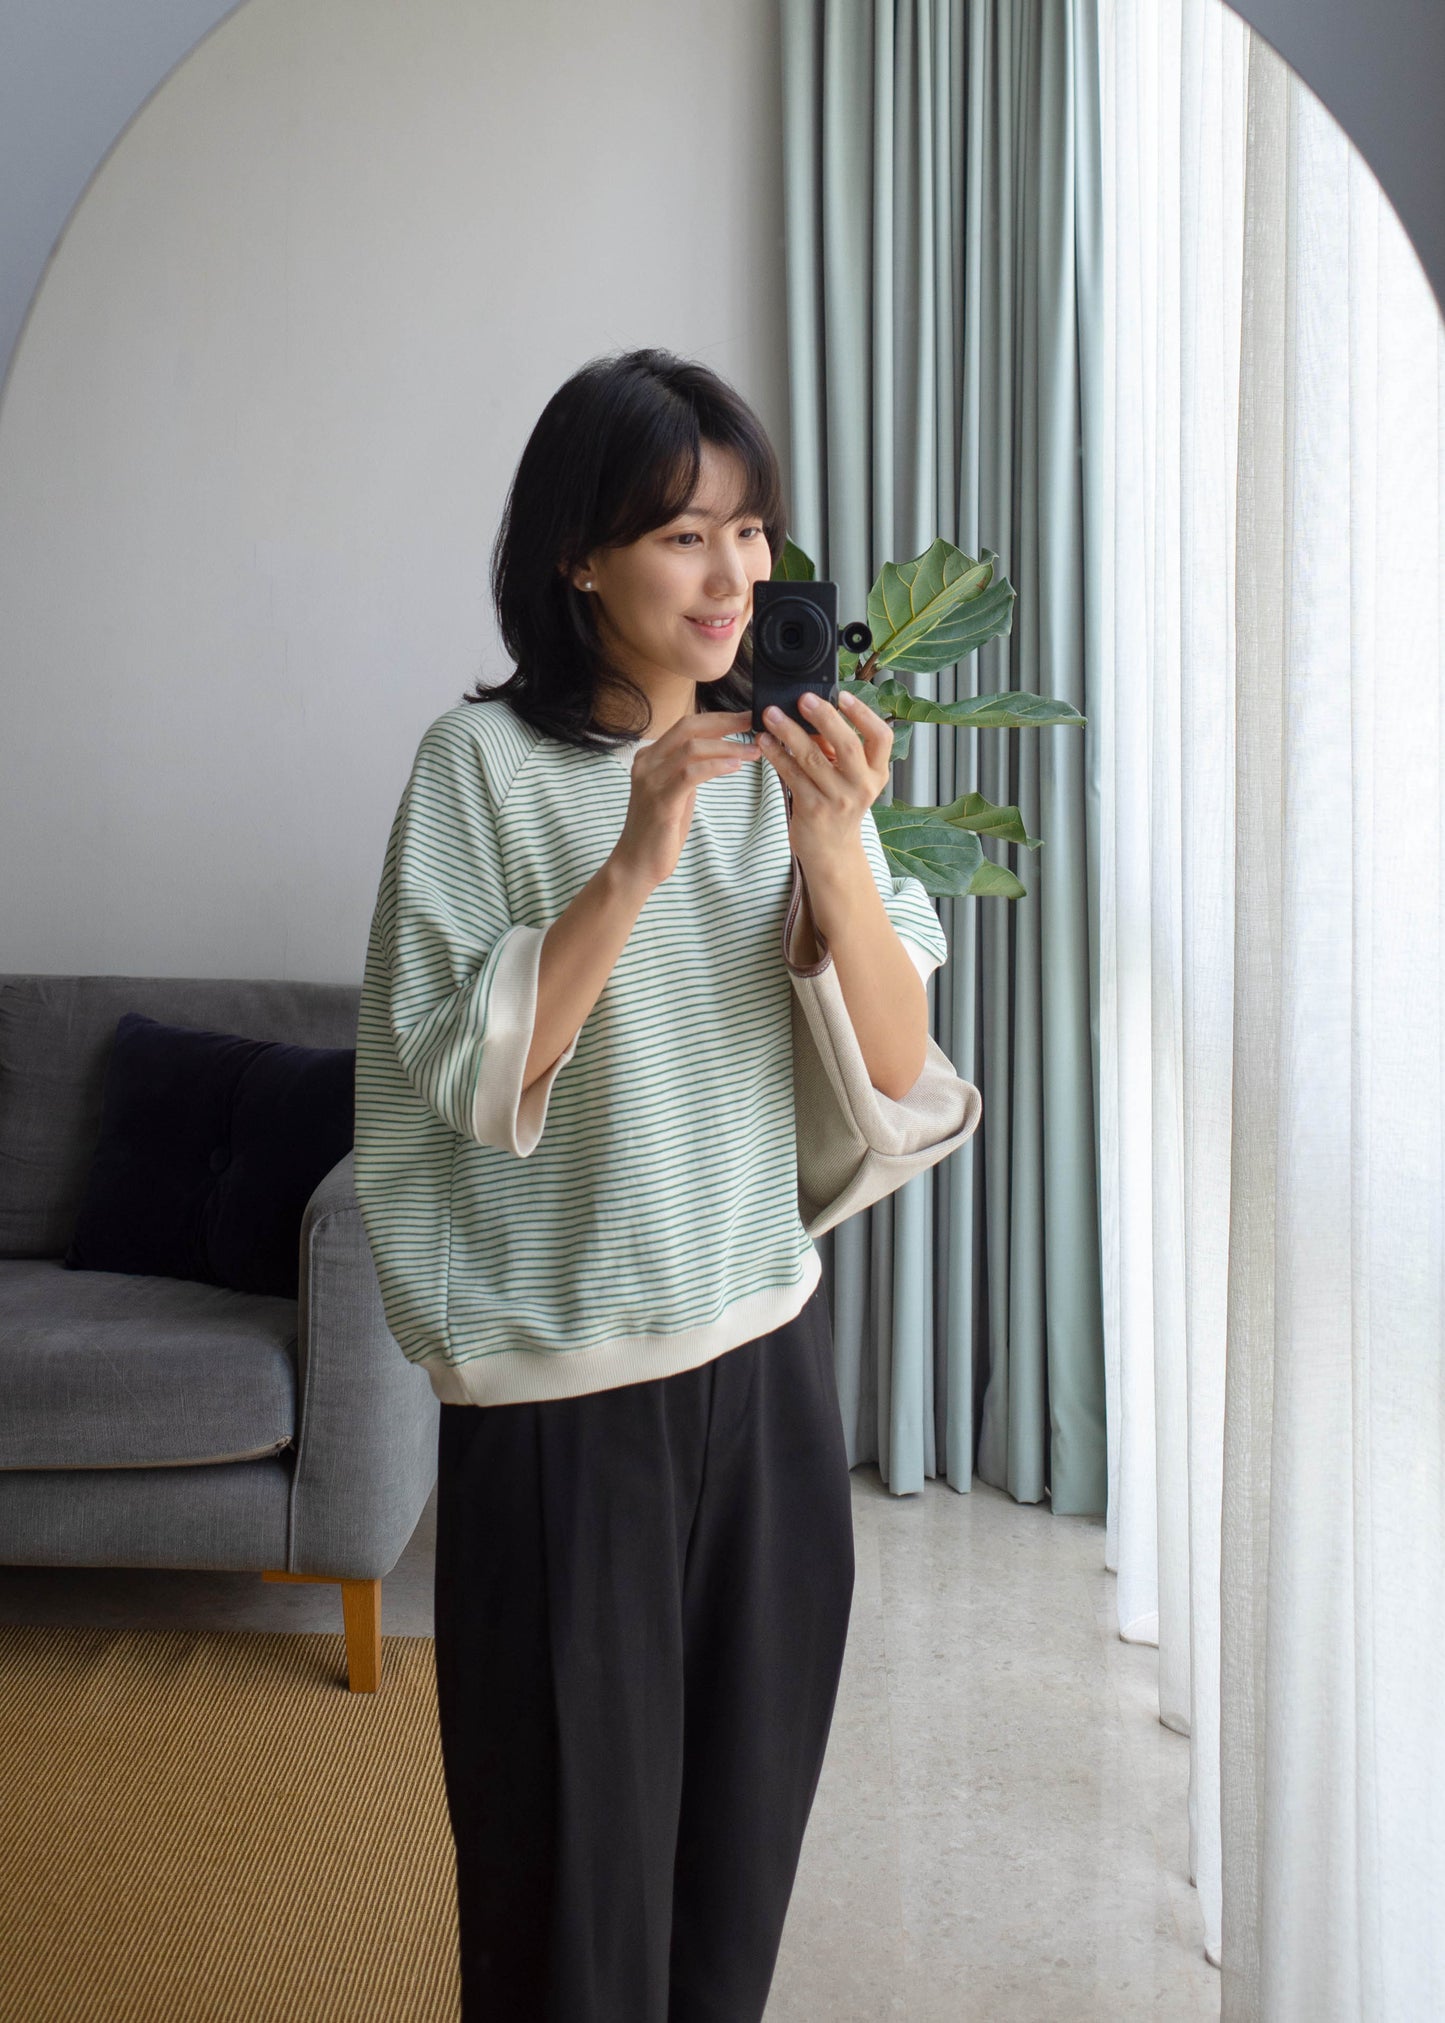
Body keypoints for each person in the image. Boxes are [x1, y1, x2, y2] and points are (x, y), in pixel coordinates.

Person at [352, 347, 948, 2021]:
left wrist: (834, 845)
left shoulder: (798, 766)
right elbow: (470, 1076)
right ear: (579, 556)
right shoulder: (475, 772)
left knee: (726, 1900)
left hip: (764, 1368)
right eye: (684, 535)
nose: (730, 575)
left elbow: (895, 1064)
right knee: (566, 1922)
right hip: (565, 1406)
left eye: (748, 533)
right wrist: (636, 853)